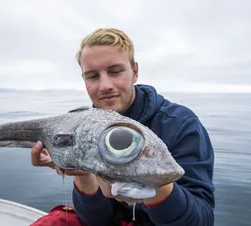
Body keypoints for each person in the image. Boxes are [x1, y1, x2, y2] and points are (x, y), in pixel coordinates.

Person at [30, 28, 215, 226]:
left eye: (115, 71)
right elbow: (95, 220)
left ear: (135, 72)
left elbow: (201, 221)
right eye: (92, 76)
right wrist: (83, 174)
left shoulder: (180, 124)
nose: (105, 86)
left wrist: (157, 185)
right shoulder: (80, 130)